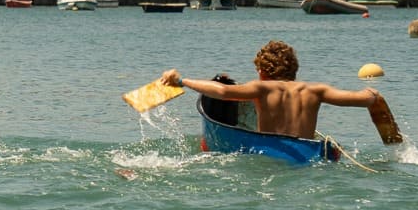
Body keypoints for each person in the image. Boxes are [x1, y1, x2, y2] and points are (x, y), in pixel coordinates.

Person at [160, 39, 378, 140]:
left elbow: (223, 93)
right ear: (294, 70)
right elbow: (358, 99)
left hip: (269, 154)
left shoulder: (261, 89)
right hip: (309, 155)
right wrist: (371, 95)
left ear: (262, 72)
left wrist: (181, 81)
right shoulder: (316, 90)